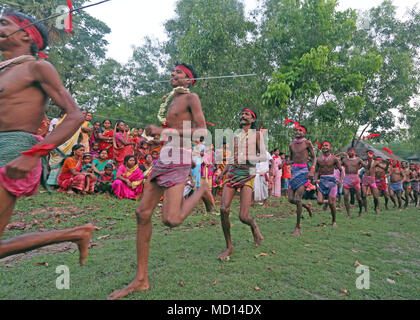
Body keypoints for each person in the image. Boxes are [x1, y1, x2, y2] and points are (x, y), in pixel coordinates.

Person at [108, 62, 214, 300]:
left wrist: (164, 132)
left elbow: (201, 132)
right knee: (142, 213)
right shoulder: (171, 100)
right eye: (173, 71)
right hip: (166, 155)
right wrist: (159, 139)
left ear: (188, 80)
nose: (172, 74)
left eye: (178, 72)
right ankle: (141, 279)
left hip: (180, 157)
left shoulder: (191, 98)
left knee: (171, 219)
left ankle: (202, 190)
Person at [0, 10, 94, 264]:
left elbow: (75, 115)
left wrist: (34, 154)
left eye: (4, 23)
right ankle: (76, 233)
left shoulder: (38, 67)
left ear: (25, 35)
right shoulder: (4, 71)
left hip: (14, 153)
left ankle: (76, 233)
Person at [216, 107, 265, 261]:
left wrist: (248, 157)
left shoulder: (257, 135)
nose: (243, 116)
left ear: (253, 119)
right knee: (223, 209)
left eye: (247, 114)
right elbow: (232, 158)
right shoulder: (235, 136)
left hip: (248, 173)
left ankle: (253, 226)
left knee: (243, 216)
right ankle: (229, 246)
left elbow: (262, 155)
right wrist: (222, 174)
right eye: (242, 114)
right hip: (232, 173)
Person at [287, 124, 315, 236]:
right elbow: (292, 159)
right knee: (290, 199)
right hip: (294, 171)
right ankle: (306, 206)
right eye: (296, 130)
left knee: (298, 199)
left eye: (300, 130)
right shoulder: (291, 145)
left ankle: (298, 227)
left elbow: (314, 157)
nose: (297, 131)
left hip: (304, 171)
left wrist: (312, 170)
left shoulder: (307, 143)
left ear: (304, 132)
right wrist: (283, 163)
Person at [315, 142, 343, 228]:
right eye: (323, 146)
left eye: (326, 145)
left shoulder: (334, 159)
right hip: (322, 181)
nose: (324, 147)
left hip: (332, 181)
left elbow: (341, 170)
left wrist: (340, 180)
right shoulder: (318, 159)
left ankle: (334, 221)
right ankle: (328, 202)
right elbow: (316, 171)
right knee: (319, 202)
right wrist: (315, 179)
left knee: (332, 203)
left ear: (330, 147)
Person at [341, 148, 365, 218]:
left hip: (355, 179)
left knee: (359, 198)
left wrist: (368, 161)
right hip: (347, 178)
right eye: (349, 151)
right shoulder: (345, 160)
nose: (350, 152)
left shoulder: (358, 159)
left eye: (351, 151)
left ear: (354, 152)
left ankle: (360, 212)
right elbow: (337, 166)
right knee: (345, 196)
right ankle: (348, 214)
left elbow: (366, 166)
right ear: (347, 152)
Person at [361, 150, 380, 214]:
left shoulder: (376, 162)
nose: (368, 155)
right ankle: (366, 210)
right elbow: (368, 167)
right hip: (365, 179)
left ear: (373, 154)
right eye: (367, 154)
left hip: (372, 179)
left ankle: (375, 208)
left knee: (376, 197)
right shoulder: (364, 162)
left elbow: (383, 168)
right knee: (363, 195)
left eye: (370, 153)